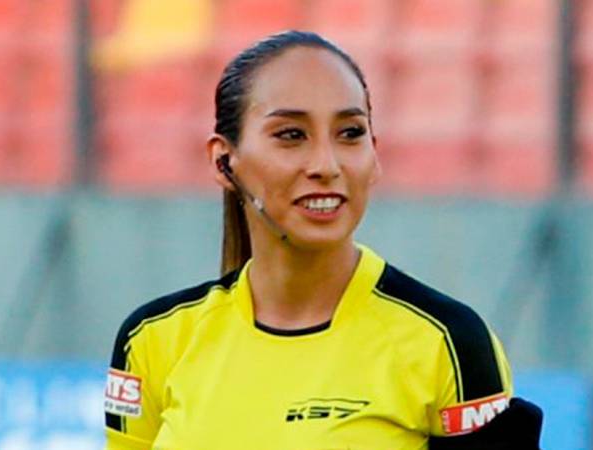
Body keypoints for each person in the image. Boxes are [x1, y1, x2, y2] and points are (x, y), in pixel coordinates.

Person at [103, 30, 542, 450]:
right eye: (292, 135)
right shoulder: (152, 339)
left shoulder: (448, 341)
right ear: (224, 161)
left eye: (350, 133)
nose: (326, 164)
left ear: (374, 153)